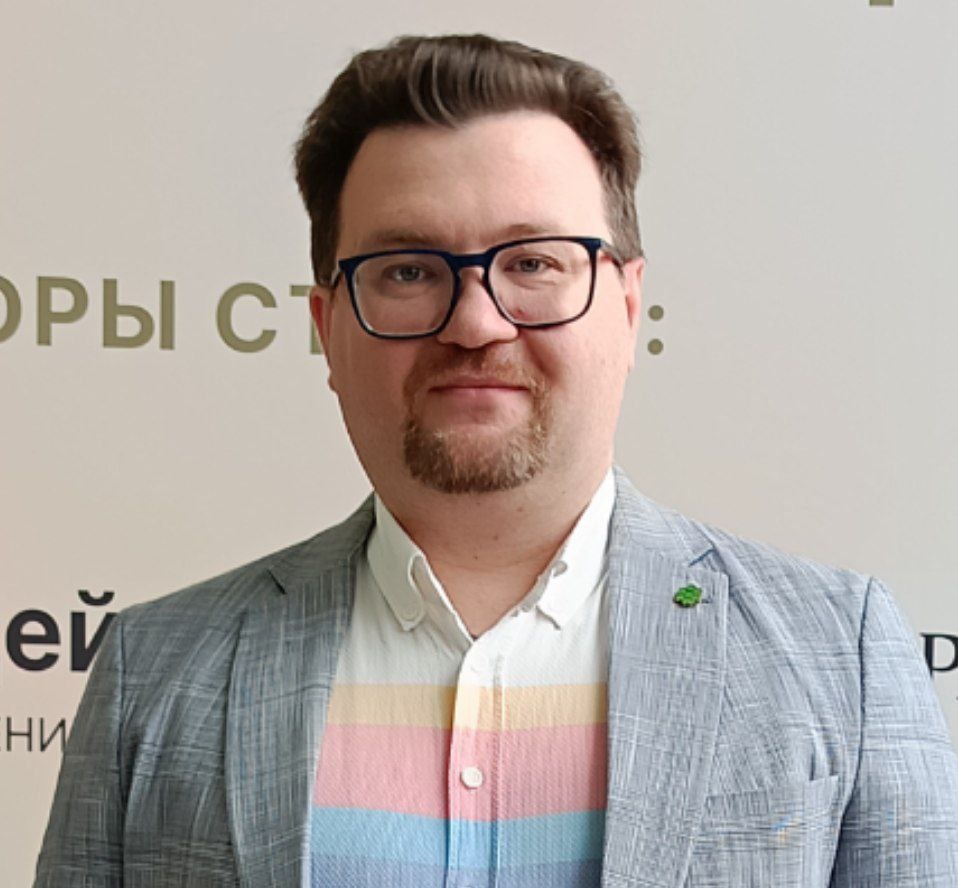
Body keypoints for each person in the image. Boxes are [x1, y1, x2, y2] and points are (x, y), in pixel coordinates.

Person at [35, 33, 958, 888]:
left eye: (534, 264)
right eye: (407, 270)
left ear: (627, 307)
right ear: (327, 327)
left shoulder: (841, 656)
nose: (477, 323)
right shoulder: (154, 672)